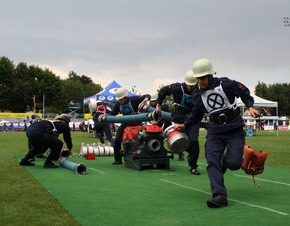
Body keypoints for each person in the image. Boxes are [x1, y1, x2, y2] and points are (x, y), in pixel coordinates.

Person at [174, 58, 259, 208]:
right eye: (197, 78)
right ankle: (219, 195)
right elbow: (196, 113)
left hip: (234, 129)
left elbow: (243, 91)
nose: (200, 81)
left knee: (233, 164)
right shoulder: (197, 94)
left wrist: (250, 106)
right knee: (212, 160)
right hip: (214, 131)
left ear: (210, 75)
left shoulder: (225, 84)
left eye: (202, 78)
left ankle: (229, 160)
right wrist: (185, 124)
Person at [156, 70, 201, 174]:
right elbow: (163, 90)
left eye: (192, 86)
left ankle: (193, 166)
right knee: (181, 140)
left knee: (194, 141)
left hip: (193, 118)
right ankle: (190, 153)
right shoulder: (177, 87)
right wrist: (158, 104)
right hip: (179, 117)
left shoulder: (200, 90)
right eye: (188, 85)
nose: (190, 88)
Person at [110, 87, 150, 165]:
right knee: (117, 140)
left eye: (121, 99)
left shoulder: (134, 100)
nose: (120, 101)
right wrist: (106, 116)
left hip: (137, 123)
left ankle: (146, 156)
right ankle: (118, 159)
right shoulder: (118, 104)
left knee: (143, 139)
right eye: (119, 99)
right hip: (125, 123)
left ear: (125, 97)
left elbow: (147, 95)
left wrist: (146, 99)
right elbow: (113, 113)